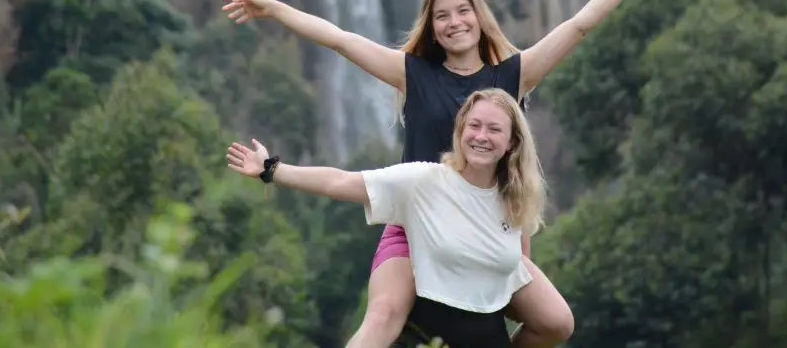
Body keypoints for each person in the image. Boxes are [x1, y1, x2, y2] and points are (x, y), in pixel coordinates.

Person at [223, 0, 682, 347]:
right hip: (418, 220)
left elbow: (578, 26)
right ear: (431, 26)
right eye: (441, 16)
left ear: (480, 18)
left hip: (490, 224)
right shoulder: (413, 73)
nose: (454, 22)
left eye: (463, 11)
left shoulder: (513, 74)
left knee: (557, 323)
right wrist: (274, 9)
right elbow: (342, 41)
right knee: (383, 315)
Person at [226, 88, 549, 348]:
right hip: (428, 333)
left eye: (494, 129)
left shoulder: (516, 198)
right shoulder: (424, 181)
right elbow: (340, 181)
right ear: (460, 130)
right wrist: (272, 169)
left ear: (511, 144)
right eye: (474, 125)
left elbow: (518, 270)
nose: (481, 136)